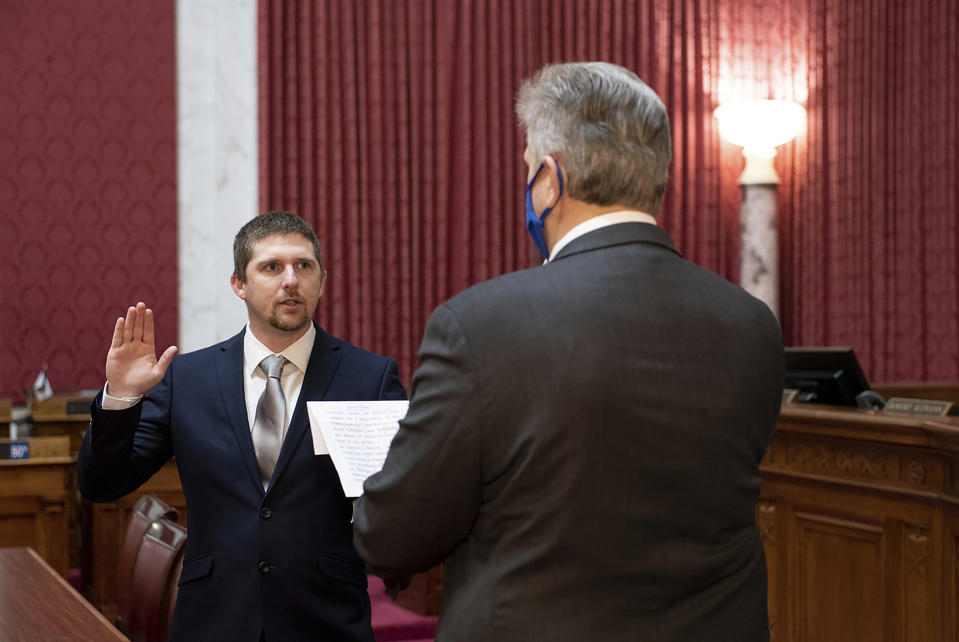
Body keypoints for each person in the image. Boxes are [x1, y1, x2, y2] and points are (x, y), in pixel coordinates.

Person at [353, 62, 784, 641]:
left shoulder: (479, 325)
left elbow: (394, 534)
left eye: (530, 167)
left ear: (550, 181)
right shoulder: (752, 324)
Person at [78, 210, 406, 642]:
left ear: (321, 282)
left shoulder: (369, 377)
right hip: (214, 618)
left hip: (326, 620)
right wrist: (121, 398)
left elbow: (403, 495)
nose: (290, 280)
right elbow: (102, 484)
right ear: (239, 284)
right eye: (271, 267)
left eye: (303, 266)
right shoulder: (187, 379)